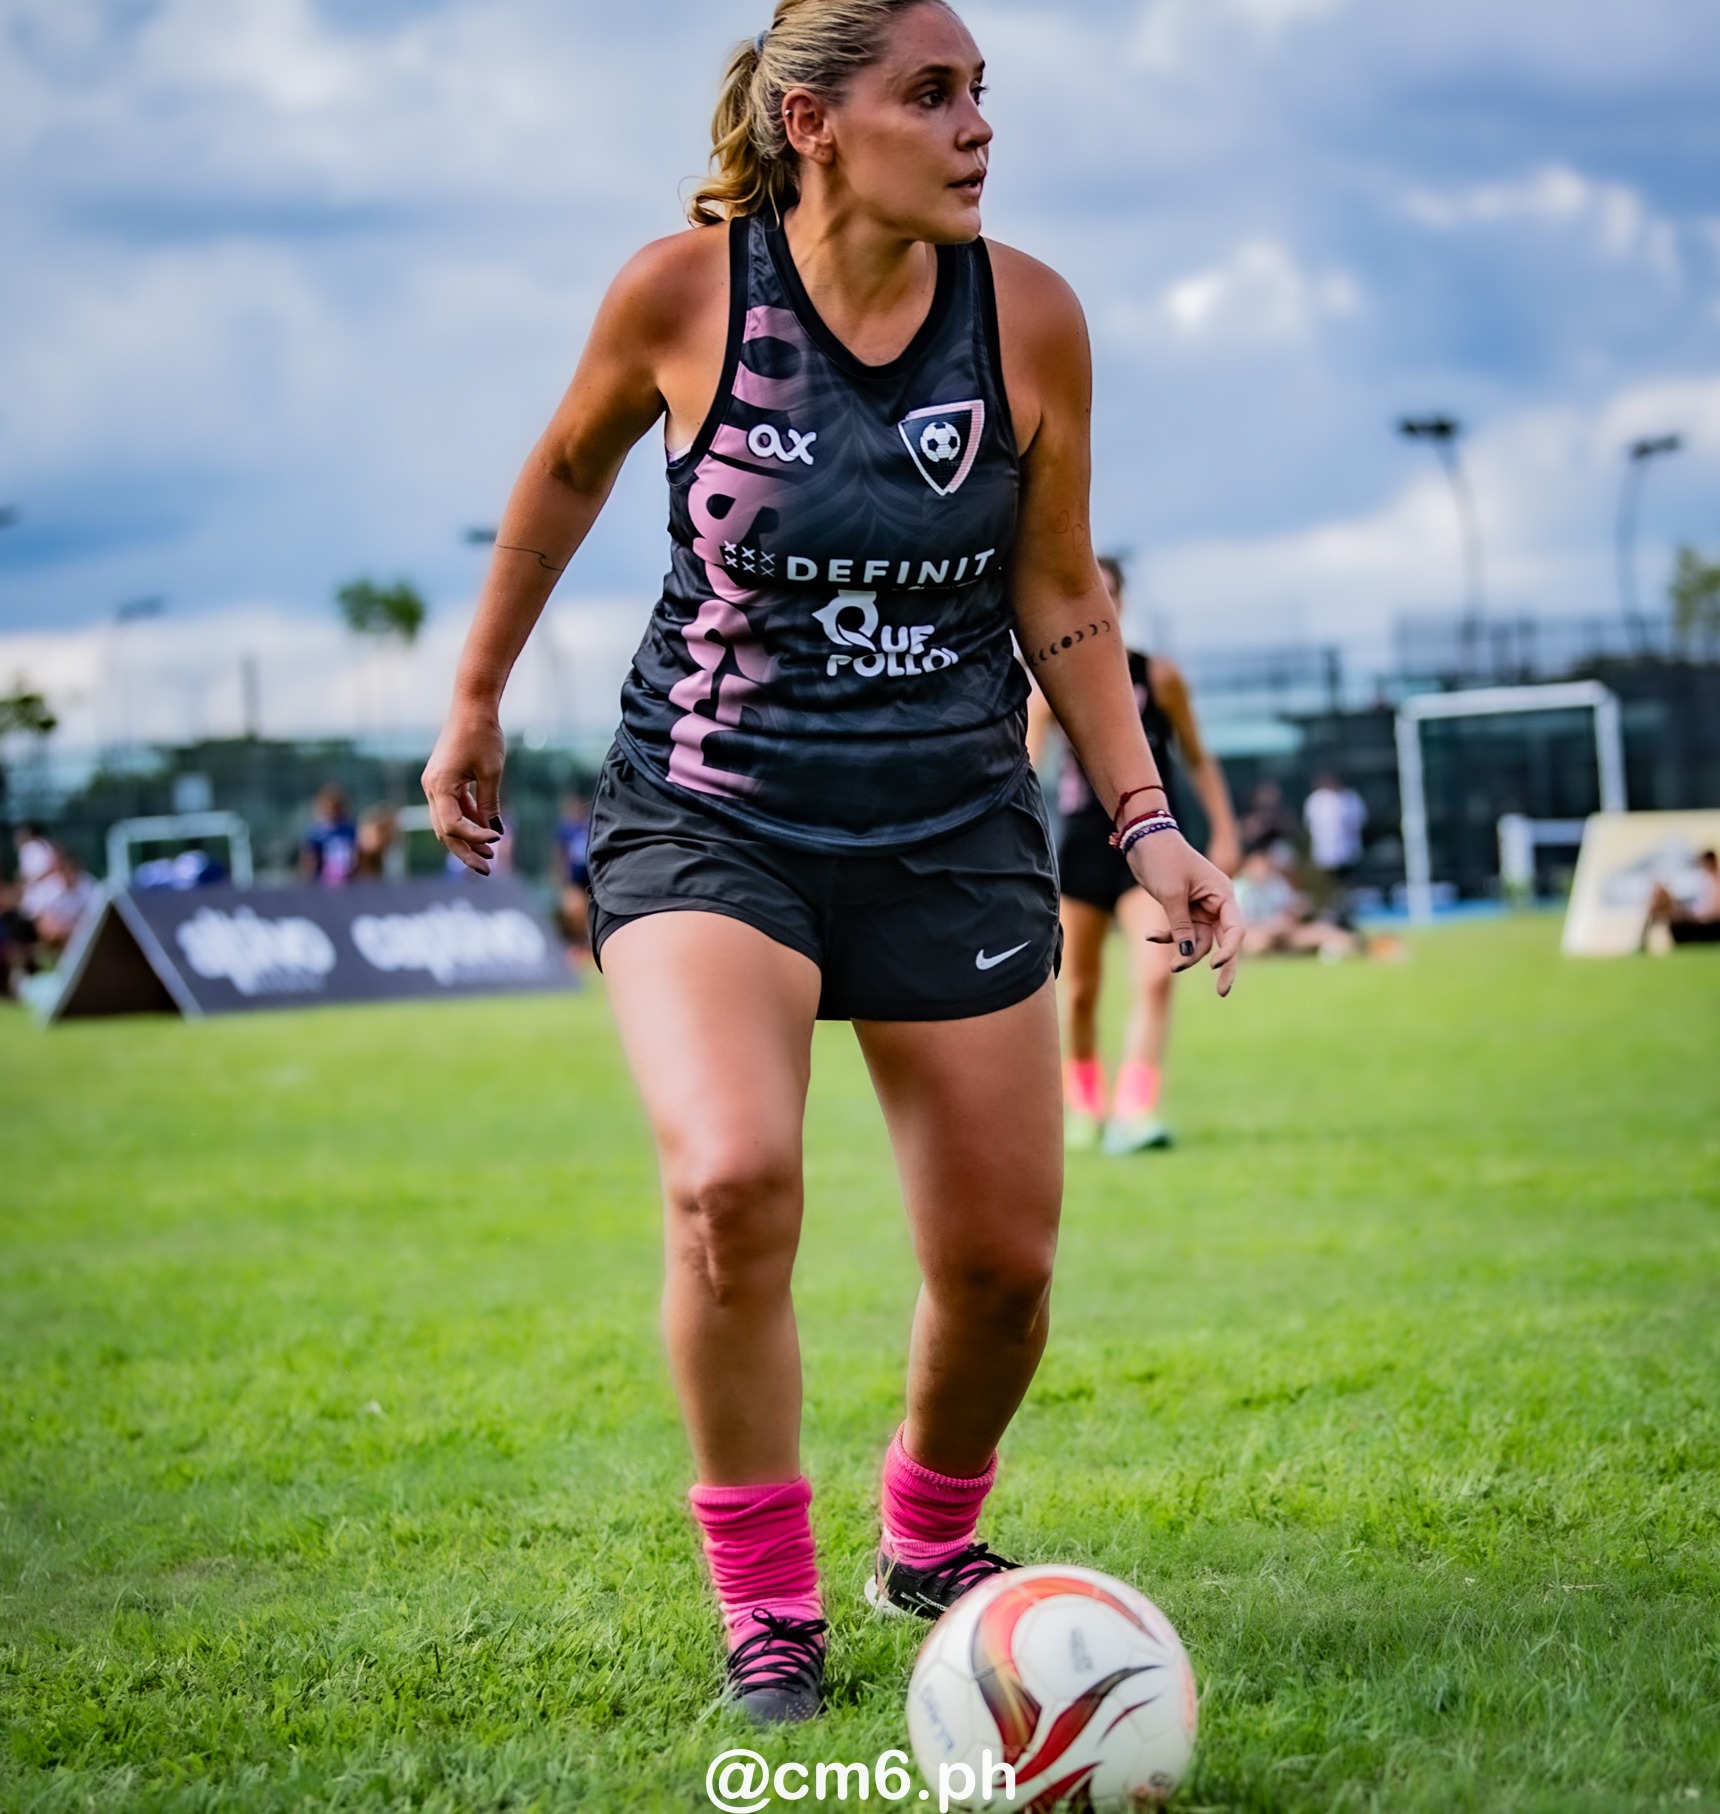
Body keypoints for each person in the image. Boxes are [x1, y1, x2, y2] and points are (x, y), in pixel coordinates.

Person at [422, 0, 1241, 1726]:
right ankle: (767, 1606)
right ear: (815, 124)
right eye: (930, 94)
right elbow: (560, 479)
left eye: (981, 96)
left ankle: (932, 1542)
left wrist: (1149, 819)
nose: (975, 128)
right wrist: (477, 697)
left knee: (1005, 1267)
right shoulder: (683, 293)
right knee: (730, 1182)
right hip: (709, 815)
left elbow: (1063, 589)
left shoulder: (1028, 318)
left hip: (950, 828)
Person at [1027, 556, 1238, 1153]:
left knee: (1156, 979)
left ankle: (1135, 1110)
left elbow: (1198, 758)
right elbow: (1023, 769)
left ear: (1115, 601)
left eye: (1108, 592)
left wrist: (1225, 832)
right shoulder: (1050, 684)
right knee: (1079, 990)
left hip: (1147, 852)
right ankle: (1083, 1105)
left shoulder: (1159, 678)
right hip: (1077, 852)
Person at [1303, 771, 1366, 904]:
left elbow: (1359, 822)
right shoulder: (1316, 800)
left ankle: (1346, 905)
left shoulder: (1350, 798)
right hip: (1324, 852)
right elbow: (1310, 824)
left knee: (1346, 882)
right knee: (1328, 883)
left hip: (1347, 850)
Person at [1645, 849, 1720, 951]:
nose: (1703, 866)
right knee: (1665, 909)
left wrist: (1693, 913)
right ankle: (1643, 941)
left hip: (1709, 920)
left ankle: (1643, 942)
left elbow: (1711, 909)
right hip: (1700, 915)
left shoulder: (1714, 881)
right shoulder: (1705, 879)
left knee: (1670, 910)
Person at [554, 792, 593, 955]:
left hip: (591, 879)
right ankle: (576, 943)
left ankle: (589, 944)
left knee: (589, 912)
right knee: (574, 910)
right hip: (574, 879)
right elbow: (560, 854)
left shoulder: (589, 826)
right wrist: (561, 878)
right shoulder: (565, 830)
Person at [298, 786, 358, 885]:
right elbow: (308, 861)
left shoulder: (351, 830)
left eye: (336, 807)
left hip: (349, 882)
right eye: (329, 808)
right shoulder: (315, 833)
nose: (332, 812)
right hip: (323, 883)